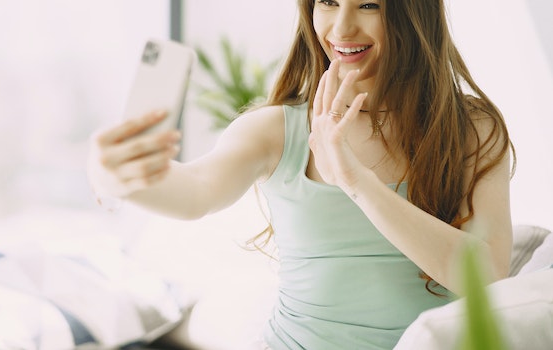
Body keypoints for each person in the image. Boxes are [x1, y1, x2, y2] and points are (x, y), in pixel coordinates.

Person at [87, 0, 514, 349]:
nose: (341, 27)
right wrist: (113, 176)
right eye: (328, 2)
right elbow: (196, 191)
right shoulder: (277, 129)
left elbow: (488, 270)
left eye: (369, 5)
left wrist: (354, 180)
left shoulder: (471, 129)